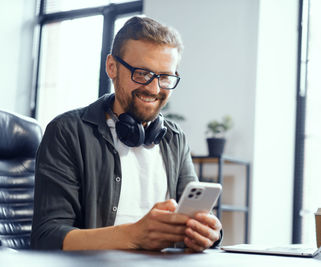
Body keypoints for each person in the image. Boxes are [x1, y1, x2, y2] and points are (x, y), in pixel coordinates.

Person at [31, 16, 222, 251]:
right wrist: (134, 235)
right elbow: (47, 237)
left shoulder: (175, 139)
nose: (154, 89)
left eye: (164, 77)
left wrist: (209, 232)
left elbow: (196, 218)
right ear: (112, 67)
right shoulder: (67, 132)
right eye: (142, 73)